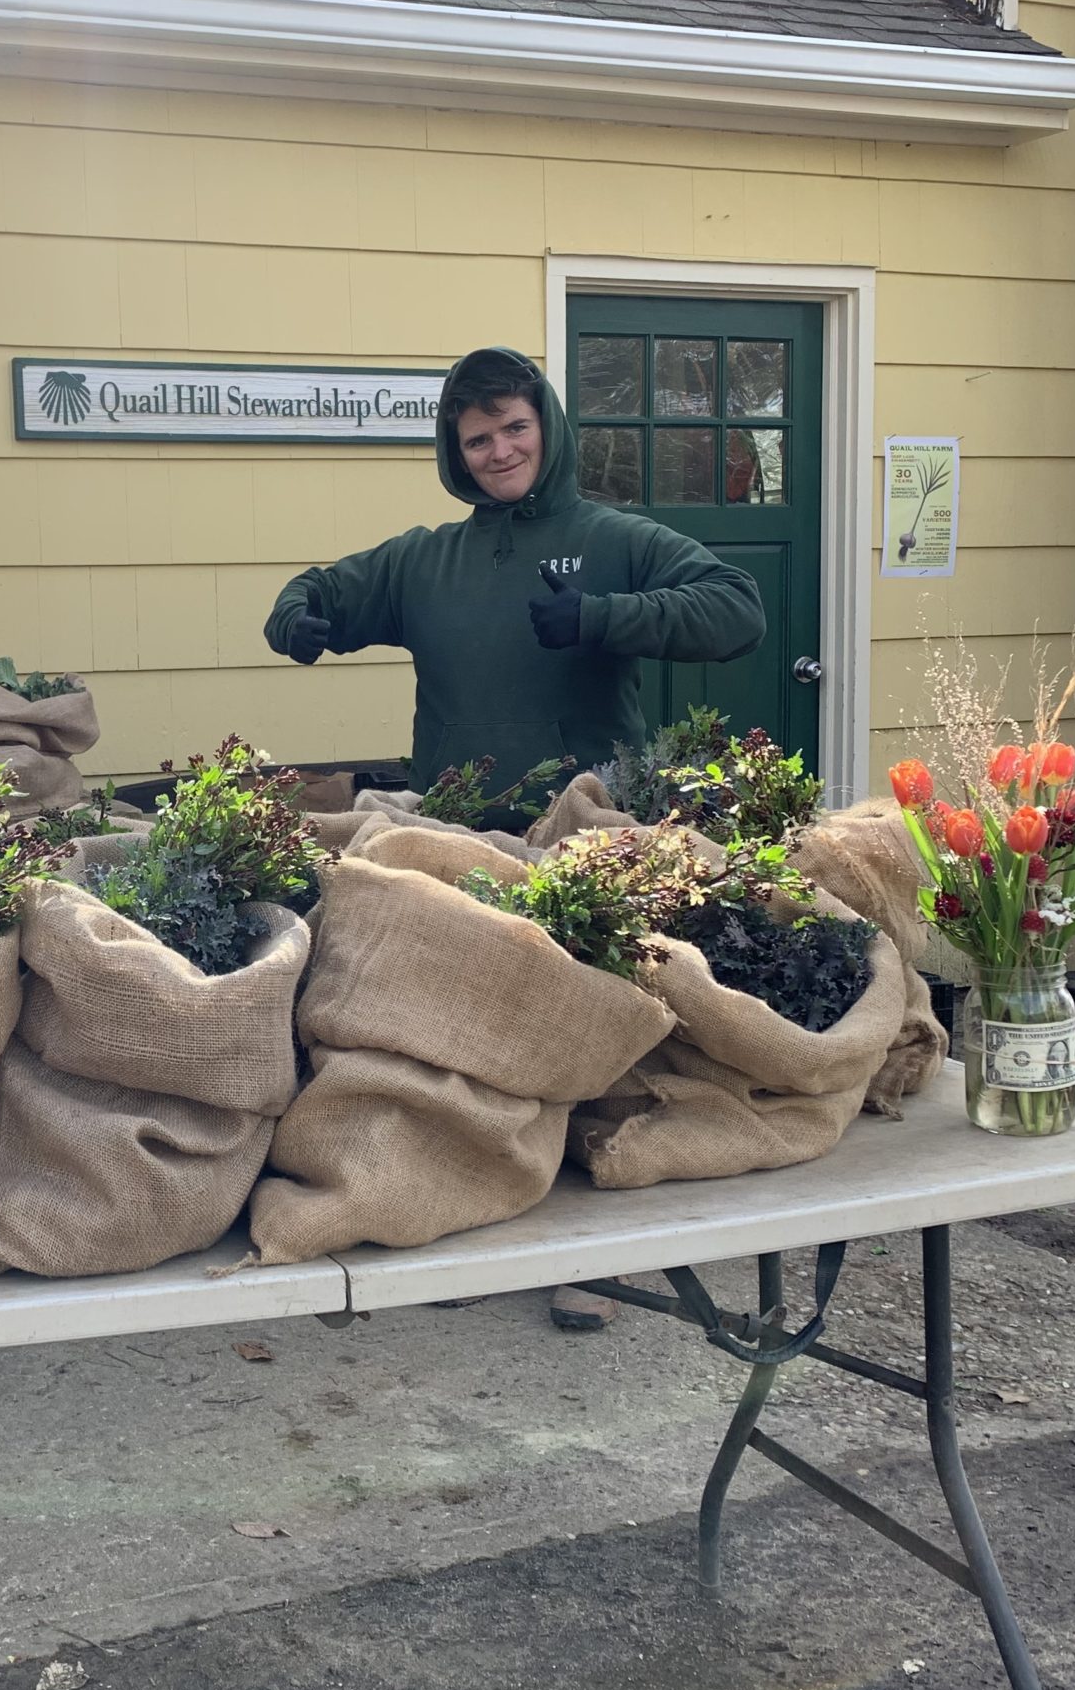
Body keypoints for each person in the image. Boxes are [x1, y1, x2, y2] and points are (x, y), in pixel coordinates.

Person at [263, 344, 767, 1331]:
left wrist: (602, 616)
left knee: (597, 1052)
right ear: (457, 453)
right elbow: (327, 590)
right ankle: (456, 1221)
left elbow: (734, 609)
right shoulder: (427, 560)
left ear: (546, 428)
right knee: (468, 1047)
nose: (499, 451)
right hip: (461, 837)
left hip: (584, 833)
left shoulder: (611, 537)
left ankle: (594, 1257)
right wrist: (299, 613)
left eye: (514, 430)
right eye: (477, 439)